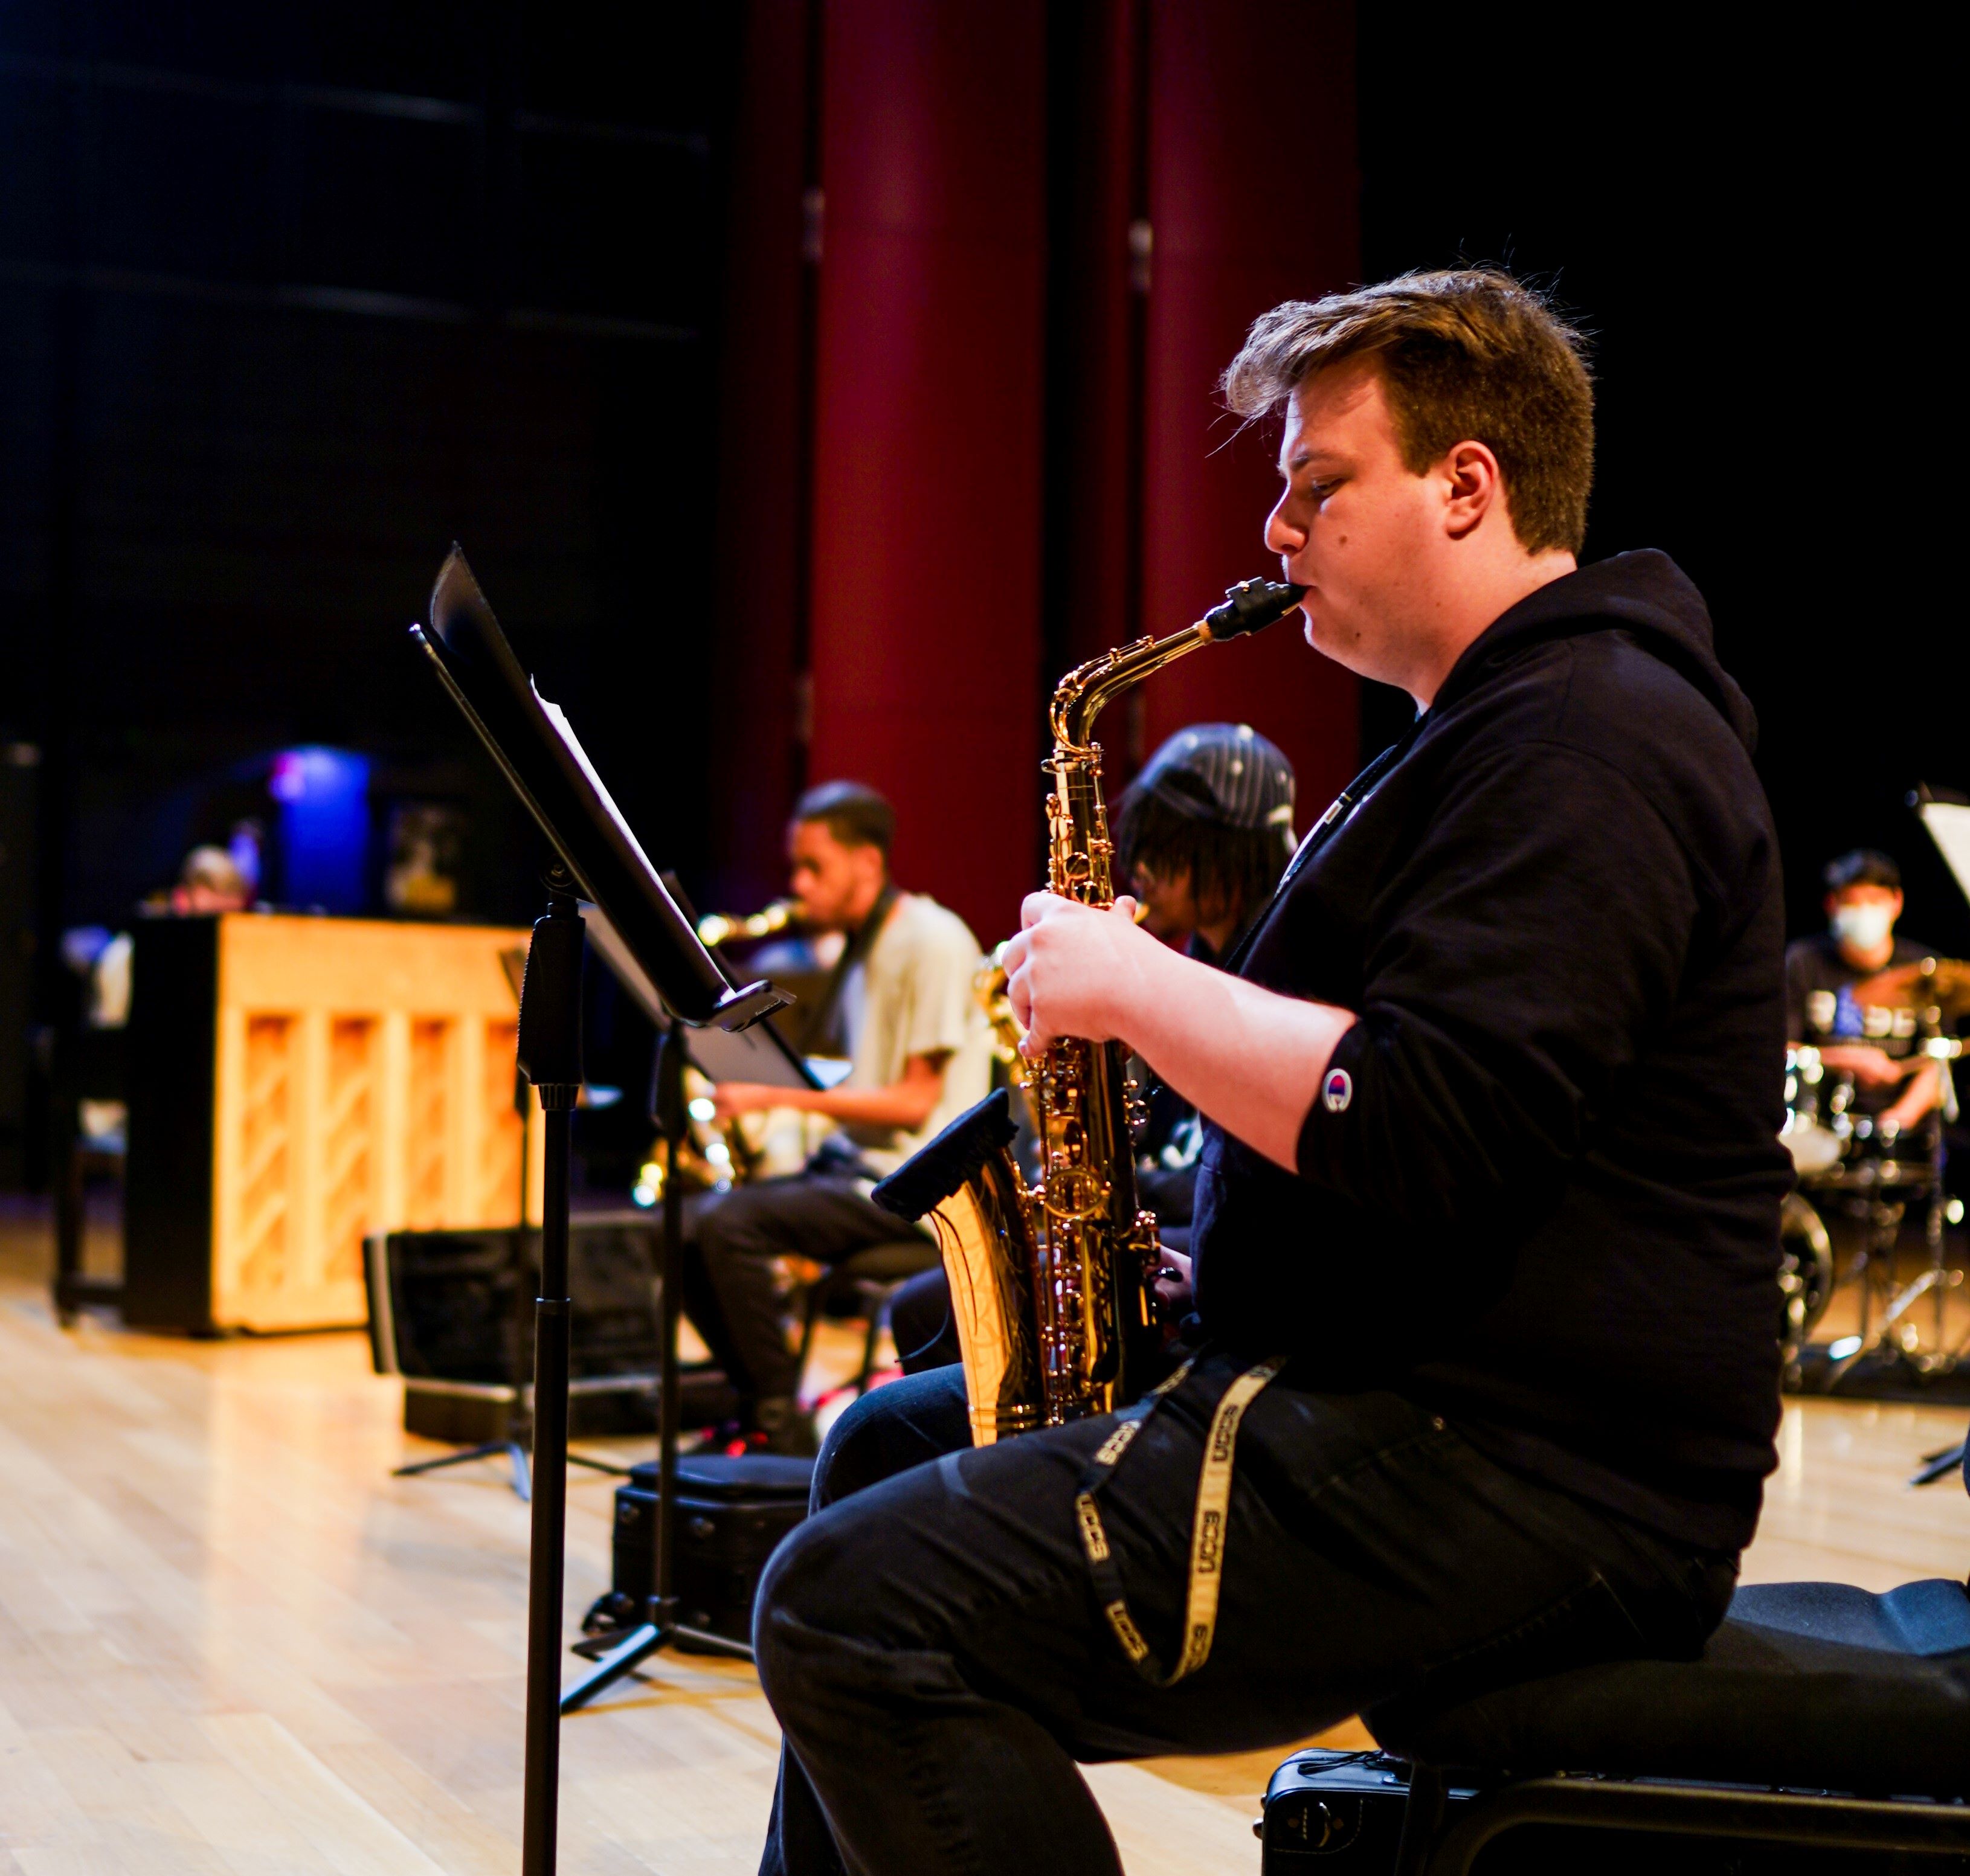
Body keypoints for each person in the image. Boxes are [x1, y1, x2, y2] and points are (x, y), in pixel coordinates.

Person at [748, 269, 1792, 1876]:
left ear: (1464, 486)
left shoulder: (1587, 741)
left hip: (1528, 1480)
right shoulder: (1489, 733)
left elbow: (1432, 1121)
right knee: (878, 1449)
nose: (1273, 532)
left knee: (847, 1616)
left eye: (1316, 485)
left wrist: (1138, 991)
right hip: (1439, 1410)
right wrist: (1207, 1261)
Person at [886, 721, 1298, 1373]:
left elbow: (1245, 1176)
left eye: (1167, 849)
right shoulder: (1198, 953)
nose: (1143, 872)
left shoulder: (1281, 966)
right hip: (1173, 1212)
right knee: (922, 1305)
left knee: (926, 1312)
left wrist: (1115, 1186)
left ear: (1226, 852)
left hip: (1227, 1235)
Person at [678, 780, 991, 1453]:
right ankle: (755, 1405)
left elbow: (911, 1103)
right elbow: (866, 1081)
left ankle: (780, 1428)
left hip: (917, 1186)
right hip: (858, 1172)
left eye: (814, 866)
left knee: (729, 1227)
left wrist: (775, 1097)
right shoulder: (860, 951)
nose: (799, 883)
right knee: (684, 1224)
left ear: (868, 865)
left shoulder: (931, 940)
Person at [1785, 848, 1943, 1133]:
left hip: (1899, 1132)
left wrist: (1897, 1122)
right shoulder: (1803, 962)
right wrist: (1847, 1058)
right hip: (1817, 1125)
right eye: (1852, 903)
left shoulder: (1924, 969)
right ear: (1832, 905)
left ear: (1896, 902)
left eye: (1874, 901)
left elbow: (1939, 1062)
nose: (1864, 912)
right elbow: (1780, 1049)